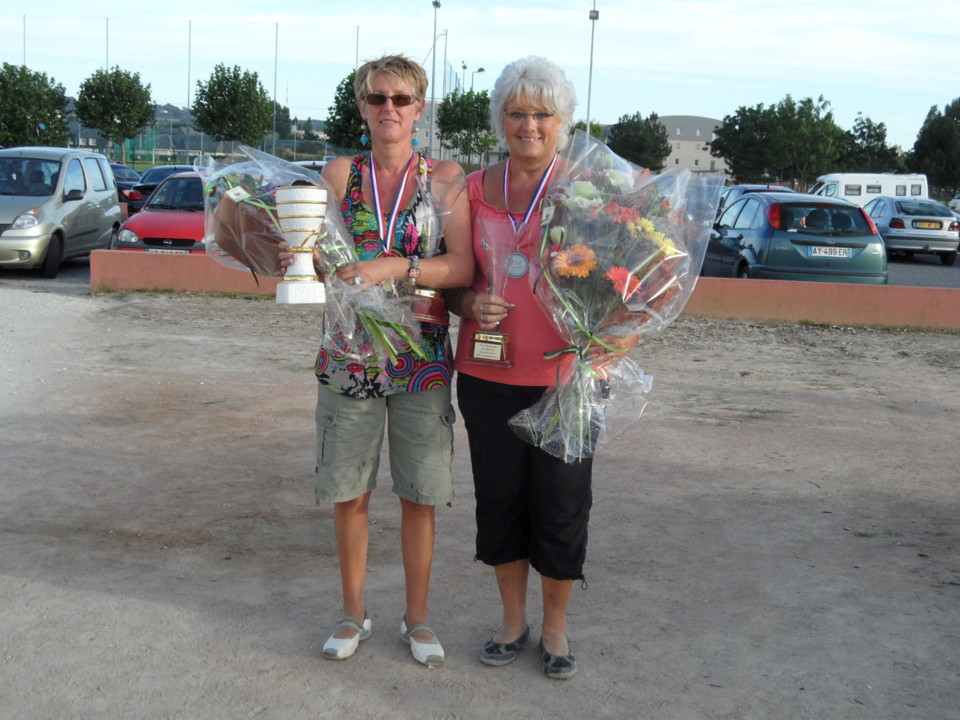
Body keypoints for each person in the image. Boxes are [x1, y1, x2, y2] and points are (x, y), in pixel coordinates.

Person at [448, 56, 638, 680]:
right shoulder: (473, 190)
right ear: (501, 119)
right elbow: (452, 279)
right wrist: (469, 301)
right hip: (487, 374)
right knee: (500, 504)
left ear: (564, 121)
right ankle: (512, 622)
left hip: (568, 382)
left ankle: (555, 629)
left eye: (542, 114)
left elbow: (643, 278)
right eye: (517, 112)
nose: (529, 124)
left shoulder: (595, 196)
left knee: (560, 506)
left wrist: (624, 336)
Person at [281, 54, 473, 667]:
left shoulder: (445, 178)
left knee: (419, 494)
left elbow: (463, 266)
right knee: (350, 492)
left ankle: (417, 621)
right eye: (377, 98)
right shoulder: (339, 173)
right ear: (363, 107)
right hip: (350, 355)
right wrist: (304, 259)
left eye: (401, 98)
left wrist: (398, 267)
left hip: (420, 356)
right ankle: (351, 613)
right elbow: (315, 252)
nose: (388, 108)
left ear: (420, 108)